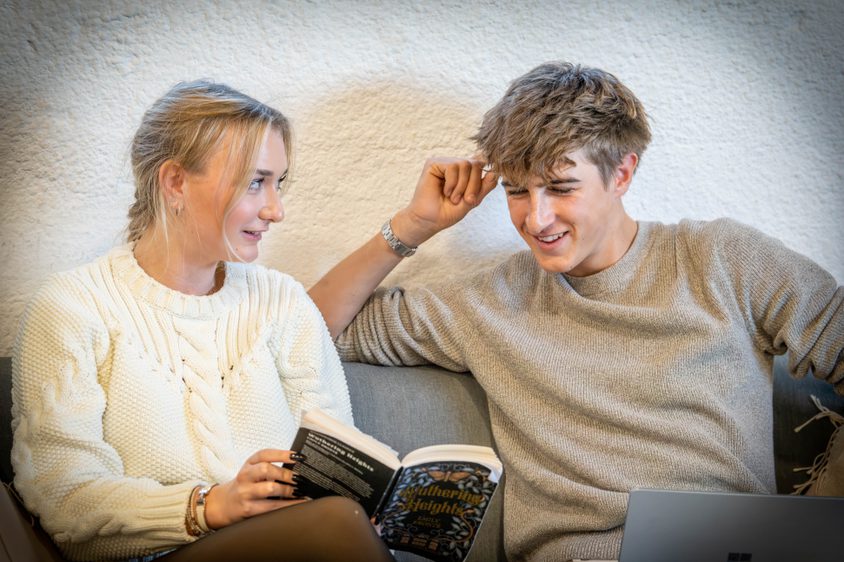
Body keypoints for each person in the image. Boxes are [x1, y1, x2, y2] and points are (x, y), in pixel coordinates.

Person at [308, 61, 844, 561]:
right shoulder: (487, 302)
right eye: (517, 191)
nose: (536, 218)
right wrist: (411, 227)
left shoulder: (723, 260)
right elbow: (305, 331)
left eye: (561, 187)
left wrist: (815, 520)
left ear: (622, 174)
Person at [10, 81, 394, 562]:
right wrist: (211, 506)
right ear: (175, 182)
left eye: (279, 182)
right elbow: (64, 502)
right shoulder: (73, 307)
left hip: (304, 546)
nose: (276, 209)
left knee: (343, 521)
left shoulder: (283, 301)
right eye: (256, 182)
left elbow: (338, 463)